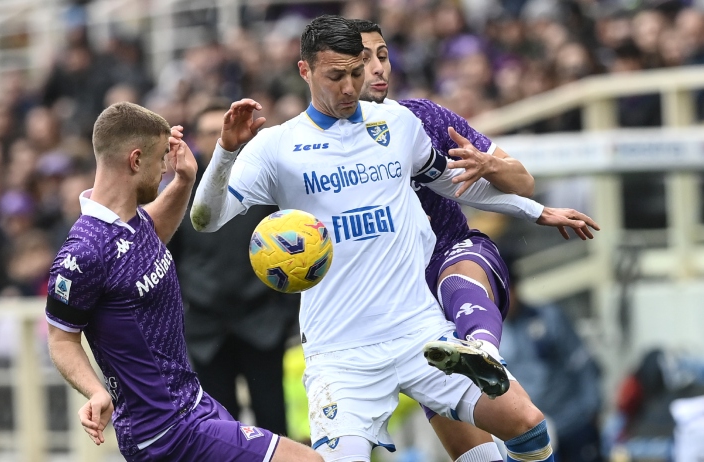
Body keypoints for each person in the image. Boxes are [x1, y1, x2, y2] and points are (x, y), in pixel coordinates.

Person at [191, 15, 598, 462]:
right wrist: (225, 153)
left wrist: (536, 211)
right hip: (341, 354)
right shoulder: (275, 146)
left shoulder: (400, 123)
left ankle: (480, 345)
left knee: (527, 423)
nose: (349, 87)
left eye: (356, 72)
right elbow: (206, 219)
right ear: (305, 70)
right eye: (335, 77)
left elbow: (454, 183)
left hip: (420, 334)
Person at [44, 101, 322, 462]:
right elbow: (61, 337)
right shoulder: (83, 252)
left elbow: (153, 230)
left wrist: (185, 180)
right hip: (165, 432)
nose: (164, 168)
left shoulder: (131, 224)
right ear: (135, 160)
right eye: (161, 158)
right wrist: (96, 391)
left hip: (194, 407)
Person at [351, 18, 569, 461]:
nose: (378, 68)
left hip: (455, 250)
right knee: (486, 452)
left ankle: (482, 350)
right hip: (407, 313)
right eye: (363, 59)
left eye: (383, 56)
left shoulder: (424, 118)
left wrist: (490, 167)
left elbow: (523, 182)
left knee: (457, 274)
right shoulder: (310, 149)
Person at [168, 103, 298, 436]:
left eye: (220, 131)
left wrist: (285, 313)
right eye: (209, 133)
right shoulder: (182, 192)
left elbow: (292, 248)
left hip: (262, 323)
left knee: (273, 421)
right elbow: (170, 260)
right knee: (219, 430)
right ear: (197, 140)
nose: (216, 139)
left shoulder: (262, 186)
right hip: (206, 330)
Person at [500, 265, 604, 462]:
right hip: (534, 432)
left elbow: (581, 361)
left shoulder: (548, 316)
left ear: (516, 288)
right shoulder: (494, 332)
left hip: (572, 421)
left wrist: (593, 407)